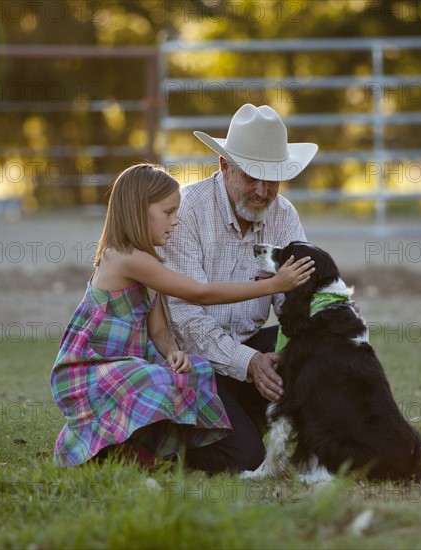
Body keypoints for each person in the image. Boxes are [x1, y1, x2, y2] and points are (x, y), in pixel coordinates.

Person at [50, 163, 314, 469]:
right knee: (154, 379)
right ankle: (90, 448)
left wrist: (174, 352)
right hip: (95, 366)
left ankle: (140, 449)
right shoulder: (125, 259)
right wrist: (273, 284)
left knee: (191, 372)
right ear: (138, 211)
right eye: (168, 213)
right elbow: (198, 293)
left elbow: (159, 327)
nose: (176, 222)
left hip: (130, 362)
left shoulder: (151, 261)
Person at [163, 104, 319, 472]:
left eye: (273, 178)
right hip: (190, 363)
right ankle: (172, 431)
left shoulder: (285, 215)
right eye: (252, 176)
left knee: (316, 346)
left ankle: (262, 424)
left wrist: (325, 312)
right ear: (224, 166)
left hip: (247, 348)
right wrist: (248, 363)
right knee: (245, 457)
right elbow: (183, 317)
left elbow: (294, 297)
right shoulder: (187, 211)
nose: (263, 191)